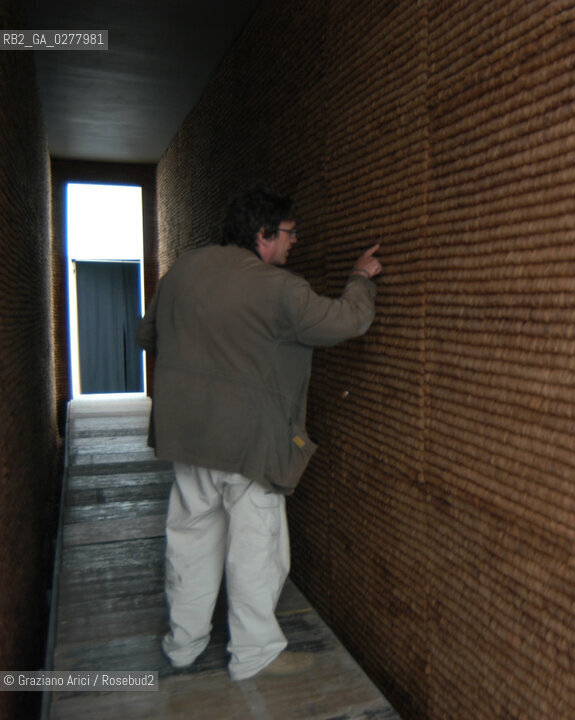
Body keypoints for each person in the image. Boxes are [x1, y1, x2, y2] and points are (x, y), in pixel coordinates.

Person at [137, 185, 382, 680]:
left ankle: (183, 644)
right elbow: (348, 321)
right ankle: (252, 654)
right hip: (250, 446)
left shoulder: (182, 271)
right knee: (255, 549)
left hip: (188, 438)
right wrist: (360, 277)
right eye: (290, 232)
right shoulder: (278, 289)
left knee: (189, 540)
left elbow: (148, 336)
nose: (296, 241)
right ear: (264, 234)